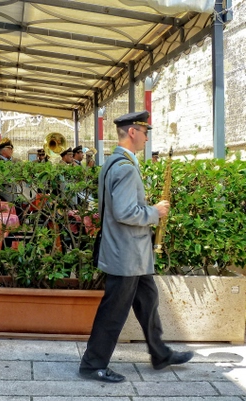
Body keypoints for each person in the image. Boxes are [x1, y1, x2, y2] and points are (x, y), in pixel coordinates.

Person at [79, 111, 193, 383]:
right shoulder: (126, 168)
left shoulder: (113, 162)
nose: (146, 138)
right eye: (144, 132)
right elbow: (125, 212)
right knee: (114, 311)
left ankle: (160, 353)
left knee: (148, 300)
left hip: (131, 254)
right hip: (127, 254)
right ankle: (92, 365)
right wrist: (154, 212)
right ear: (133, 132)